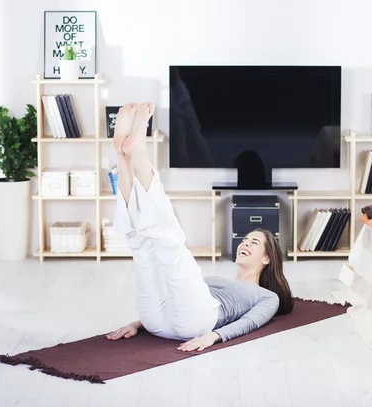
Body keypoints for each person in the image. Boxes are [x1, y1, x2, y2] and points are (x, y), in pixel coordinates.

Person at [105, 102, 294, 352]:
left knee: (168, 242)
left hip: (196, 324)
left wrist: (215, 336)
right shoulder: (213, 280)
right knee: (141, 244)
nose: (245, 243)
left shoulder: (267, 297)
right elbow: (175, 292)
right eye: (246, 239)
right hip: (156, 322)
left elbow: (251, 322)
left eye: (254, 242)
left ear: (268, 258)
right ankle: (123, 155)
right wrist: (138, 324)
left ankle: (137, 151)